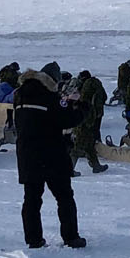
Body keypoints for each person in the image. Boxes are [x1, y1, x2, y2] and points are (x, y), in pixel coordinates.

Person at [13, 69, 86, 248]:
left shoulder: (19, 96)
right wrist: (81, 108)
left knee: (31, 199)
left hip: (27, 155)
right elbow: (67, 120)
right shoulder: (50, 97)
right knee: (64, 197)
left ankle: (34, 239)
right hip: (52, 154)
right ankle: (71, 237)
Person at [72, 71, 109, 173]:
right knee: (86, 144)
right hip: (95, 117)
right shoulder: (97, 85)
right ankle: (94, 166)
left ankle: (72, 169)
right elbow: (105, 97)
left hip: (84, 120)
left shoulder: (84, 92)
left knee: (83, 144)